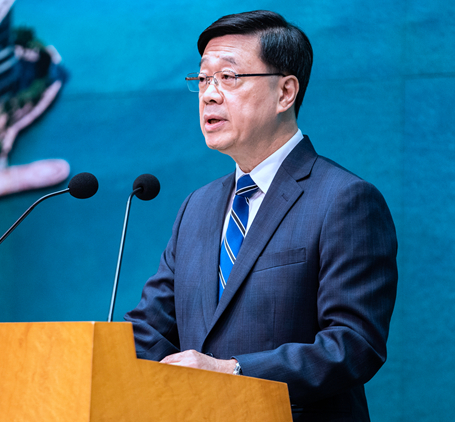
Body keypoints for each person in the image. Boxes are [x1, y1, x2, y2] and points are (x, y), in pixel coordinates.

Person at [124, 10, 398, 422]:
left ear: (285, 92)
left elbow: (354, 345)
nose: (209, 94)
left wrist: (232, 372)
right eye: (203, 79)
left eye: (228, 77)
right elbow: (149, 329)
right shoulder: (197, 207)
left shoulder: (345, 200)